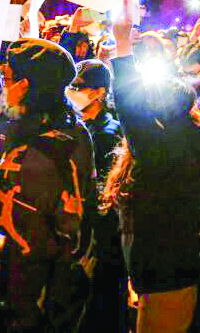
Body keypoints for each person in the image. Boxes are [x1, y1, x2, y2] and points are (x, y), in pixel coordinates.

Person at [108, 1, 200, 333]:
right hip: (176, 264)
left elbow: (129, 109)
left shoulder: (161, 150)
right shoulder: (195, 143)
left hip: (163, 270)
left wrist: (122, 46)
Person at [0, 38, 95, 331]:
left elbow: (26, 250)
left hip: (32, 304)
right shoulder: (72, 128)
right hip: (64, 294)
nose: (1, 87)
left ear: (25, 86)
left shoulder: (34, 159)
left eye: (6, 79)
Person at [66, 59, 128, 333]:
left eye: (78, 87)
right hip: (80, 234)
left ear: (99, 92)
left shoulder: (110, 133)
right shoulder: (73, 128)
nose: (72, 92)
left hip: (104, 238)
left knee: (105, 306)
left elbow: (105, 193)